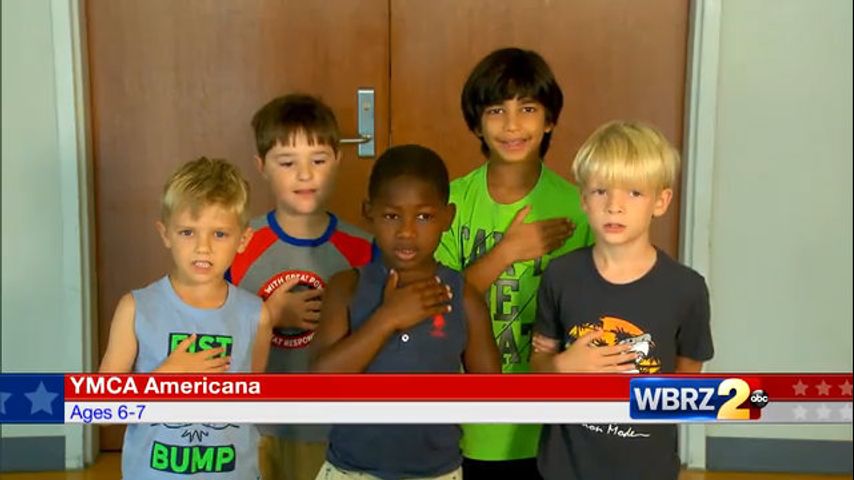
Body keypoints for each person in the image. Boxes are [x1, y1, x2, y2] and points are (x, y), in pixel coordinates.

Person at [434, 47, 592, 478]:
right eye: (495, 111)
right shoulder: (451, 202)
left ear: (549, 119)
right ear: (476, 123)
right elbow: (434, 303)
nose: (512, 125)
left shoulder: (579, 209)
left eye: (527, 108)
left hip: (550, 419)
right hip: (469, 418)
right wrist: (508, 252)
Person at [531, 120, 714, 480]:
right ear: (584, 200)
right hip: (565, 468)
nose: (614, 206)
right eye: (601, 191)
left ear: (660, 201)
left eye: (633, 192)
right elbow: (538, 366)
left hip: (646, 468)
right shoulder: (560, 276)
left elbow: (689, 379)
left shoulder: (686, 289)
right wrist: (564, 366)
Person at [311, 144, 501, 479]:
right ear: (368, 211)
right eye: (391, 215)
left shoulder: (463, 297)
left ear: (448, 217)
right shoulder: (346, 287)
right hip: (349, 470)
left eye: (424, 216)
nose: (407, 231)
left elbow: (491, 393)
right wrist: (387, 319)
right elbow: (319, 384)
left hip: (436, 472)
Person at [228, 94, 374, 480]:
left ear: (338, 161)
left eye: (319, 160)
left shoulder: (363, 249)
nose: (305, 175)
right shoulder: (238, 245)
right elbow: (211, 325)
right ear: (261, 166)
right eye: (288, 162)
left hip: (336, 428)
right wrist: (270, 315)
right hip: (258, 427)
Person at [99, 156, 272, 479]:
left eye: (219, 234)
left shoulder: (255, 314)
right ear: (165, 234)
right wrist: (164, 375)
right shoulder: (136, 308)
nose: (203, 248)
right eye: (188, 232)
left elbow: (251, 399)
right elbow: (101, 410)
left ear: (243, 240)